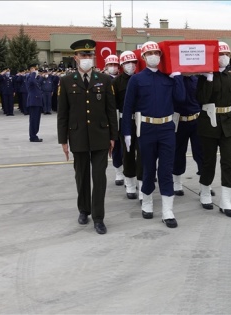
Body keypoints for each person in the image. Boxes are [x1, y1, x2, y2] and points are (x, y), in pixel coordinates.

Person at [122, 41, 185, 228]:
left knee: (166, 169)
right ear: (143, 57)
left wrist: (178, 77)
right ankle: (147, 202)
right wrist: (127, 132)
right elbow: (128, 108)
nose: (154, 56)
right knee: (148, 168)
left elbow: (180, 99)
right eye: (149, 53)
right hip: (146, 129)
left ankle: (167, 210)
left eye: (156, 52)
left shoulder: (168, 78)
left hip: (167, 128)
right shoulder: (137, 79)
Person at [57, 39, 118, 235]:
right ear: (75, 57)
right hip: (78, 136)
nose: (87, 58)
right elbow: (62, 113)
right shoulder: (66, 81)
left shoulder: (104, 79)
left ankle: (99, 217)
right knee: (81, 176)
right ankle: (84, 209)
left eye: (90, 55)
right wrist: (63, 140)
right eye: (83, 55)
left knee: (99, 178)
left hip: (101, 136)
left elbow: (111, 110)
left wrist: (113, 137)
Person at [196, 41, 231, 218]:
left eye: (226, 54)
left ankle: (226, 200)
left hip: (227, 124)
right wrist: (208, 79)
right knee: (208, 161)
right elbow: (201, 99)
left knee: (228, 162)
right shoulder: (203, 77)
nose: (223, 57)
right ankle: (204, 191)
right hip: (208, 122)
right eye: (220, 54)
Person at [113, 50, 141, 200]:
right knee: (128, 153)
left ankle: (142, 182)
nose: (131, 65)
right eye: (127, 63)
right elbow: (113, 105)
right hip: (125, 121)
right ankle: (130, 183)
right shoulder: (116, 82)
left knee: (143, 153)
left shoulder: (140, 78)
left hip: (142, 120)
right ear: (122, 65)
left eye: (133, 63)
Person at [172, 74, 205, 196]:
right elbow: (177, 98)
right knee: (178, 152)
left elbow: (201, 100)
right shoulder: (175, 79)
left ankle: (205, 185)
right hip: (179, 121)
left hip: (196, 120)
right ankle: (177, 183)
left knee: (201, 153)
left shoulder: (196, 80)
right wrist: (178, 78)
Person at [105, 54, 125, 186]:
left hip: (124, 115)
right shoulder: (102, 80)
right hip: (111, 116)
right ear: (106, 66)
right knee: (115, 145)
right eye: (110, 65)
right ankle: (118, 171)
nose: (113, 67)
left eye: (115, 65)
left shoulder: (123, 79)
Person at [26, 64, 43, 142]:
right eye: (34, 69)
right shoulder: (29, 78)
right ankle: (32, 136)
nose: (36, 70)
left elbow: (40, 81)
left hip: (38, 102)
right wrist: (33, 73)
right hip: (33, 102)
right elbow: (32, 81)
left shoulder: (35, 79)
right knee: (33, 120)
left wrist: (38, 75)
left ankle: (34, 134)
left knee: (37, 120)